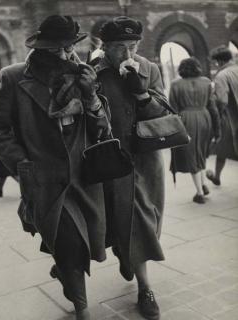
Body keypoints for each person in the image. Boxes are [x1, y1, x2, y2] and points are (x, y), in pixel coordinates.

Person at [0, 15, 111, 320]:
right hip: (44, 178)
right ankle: (82, 307)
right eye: (59, 49)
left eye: (70, 48)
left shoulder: (84, 76)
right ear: (42, 48)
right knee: (68, 241)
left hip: (84, 175)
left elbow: (104, 130)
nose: (68, 55)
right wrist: (22, 165)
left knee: (84, 242)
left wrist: (92, 95)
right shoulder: (15, 78)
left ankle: (65, 269)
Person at [94, 16, 169, 320]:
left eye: (132, 46)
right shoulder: (94, 73)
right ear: (106, 48)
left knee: (150, 218)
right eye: (119, 48)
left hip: (148, 156)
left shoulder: (148, 69)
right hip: (115, 159)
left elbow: (163, 111)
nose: (127, 55)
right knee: (133, 218)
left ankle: (127, 254)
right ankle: (145, 288)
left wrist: (140, 92)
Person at [169, 57, 221, 204]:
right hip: (205, 118)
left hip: (186, 120)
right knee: (201, 152)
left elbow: (173, 109)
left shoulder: (175, 84)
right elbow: (213, 107)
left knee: (191, 155)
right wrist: (217, 130)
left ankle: (199, 193)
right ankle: (203, 185)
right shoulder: (206, 82)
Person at [206, 45, 238, 185]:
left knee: (223, 148)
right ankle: (217, 177)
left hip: (232, 120)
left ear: (219, 62)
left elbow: (222, 101)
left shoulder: (221, 75)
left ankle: (217, 177)